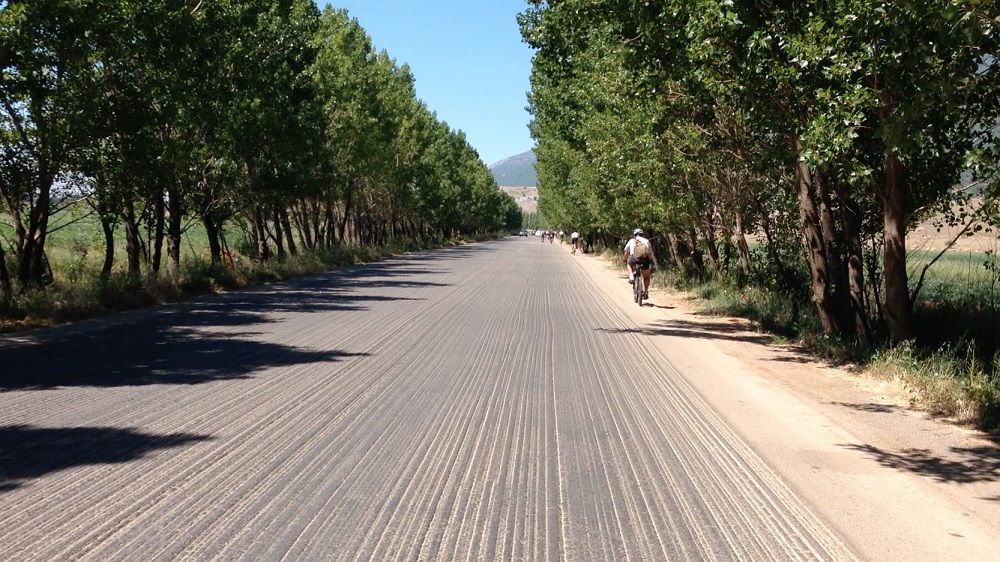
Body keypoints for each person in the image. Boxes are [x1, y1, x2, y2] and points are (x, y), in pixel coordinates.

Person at [622, 228, 653, 299]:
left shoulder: (631, 241)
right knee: (646, 276)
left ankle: (631, 276)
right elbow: (649, 253)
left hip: (634, 259)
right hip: (644, 260)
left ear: (634, 235)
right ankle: (646, 290)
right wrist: (650, 260)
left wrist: (625, 259)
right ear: (642, 235)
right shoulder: (646, 241)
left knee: (629, 264)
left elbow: (626, 253)